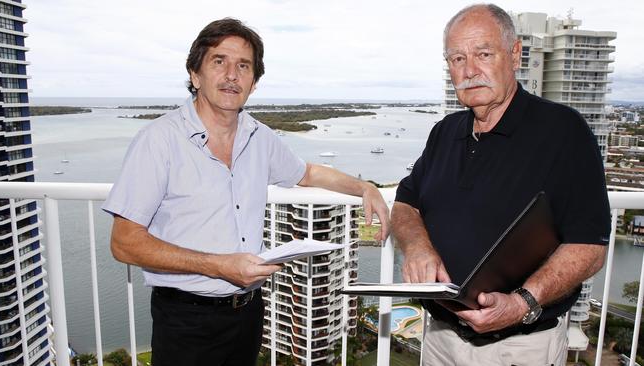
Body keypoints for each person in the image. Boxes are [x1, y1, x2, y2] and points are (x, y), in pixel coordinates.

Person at [102, 18, 389, 366]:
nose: (232, 75)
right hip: (185, 321)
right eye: (219, 61)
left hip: (249, 314)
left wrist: (364, 187)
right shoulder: (159, 141)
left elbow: (307, 172)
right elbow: (124, 242)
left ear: (253, 83)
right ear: (195, 75)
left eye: (243, 66)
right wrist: (217, 266)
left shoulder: (261, 138)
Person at [392, 4, 610, 365]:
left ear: (514, 54)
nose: (470, 70)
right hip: (440, 338)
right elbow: (405, 203)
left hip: (519, 347)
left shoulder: (563, 132)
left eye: (483, 54)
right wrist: (417, 247)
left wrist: (523, 301)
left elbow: (589, 245)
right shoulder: (445, 132)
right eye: (457, 58)